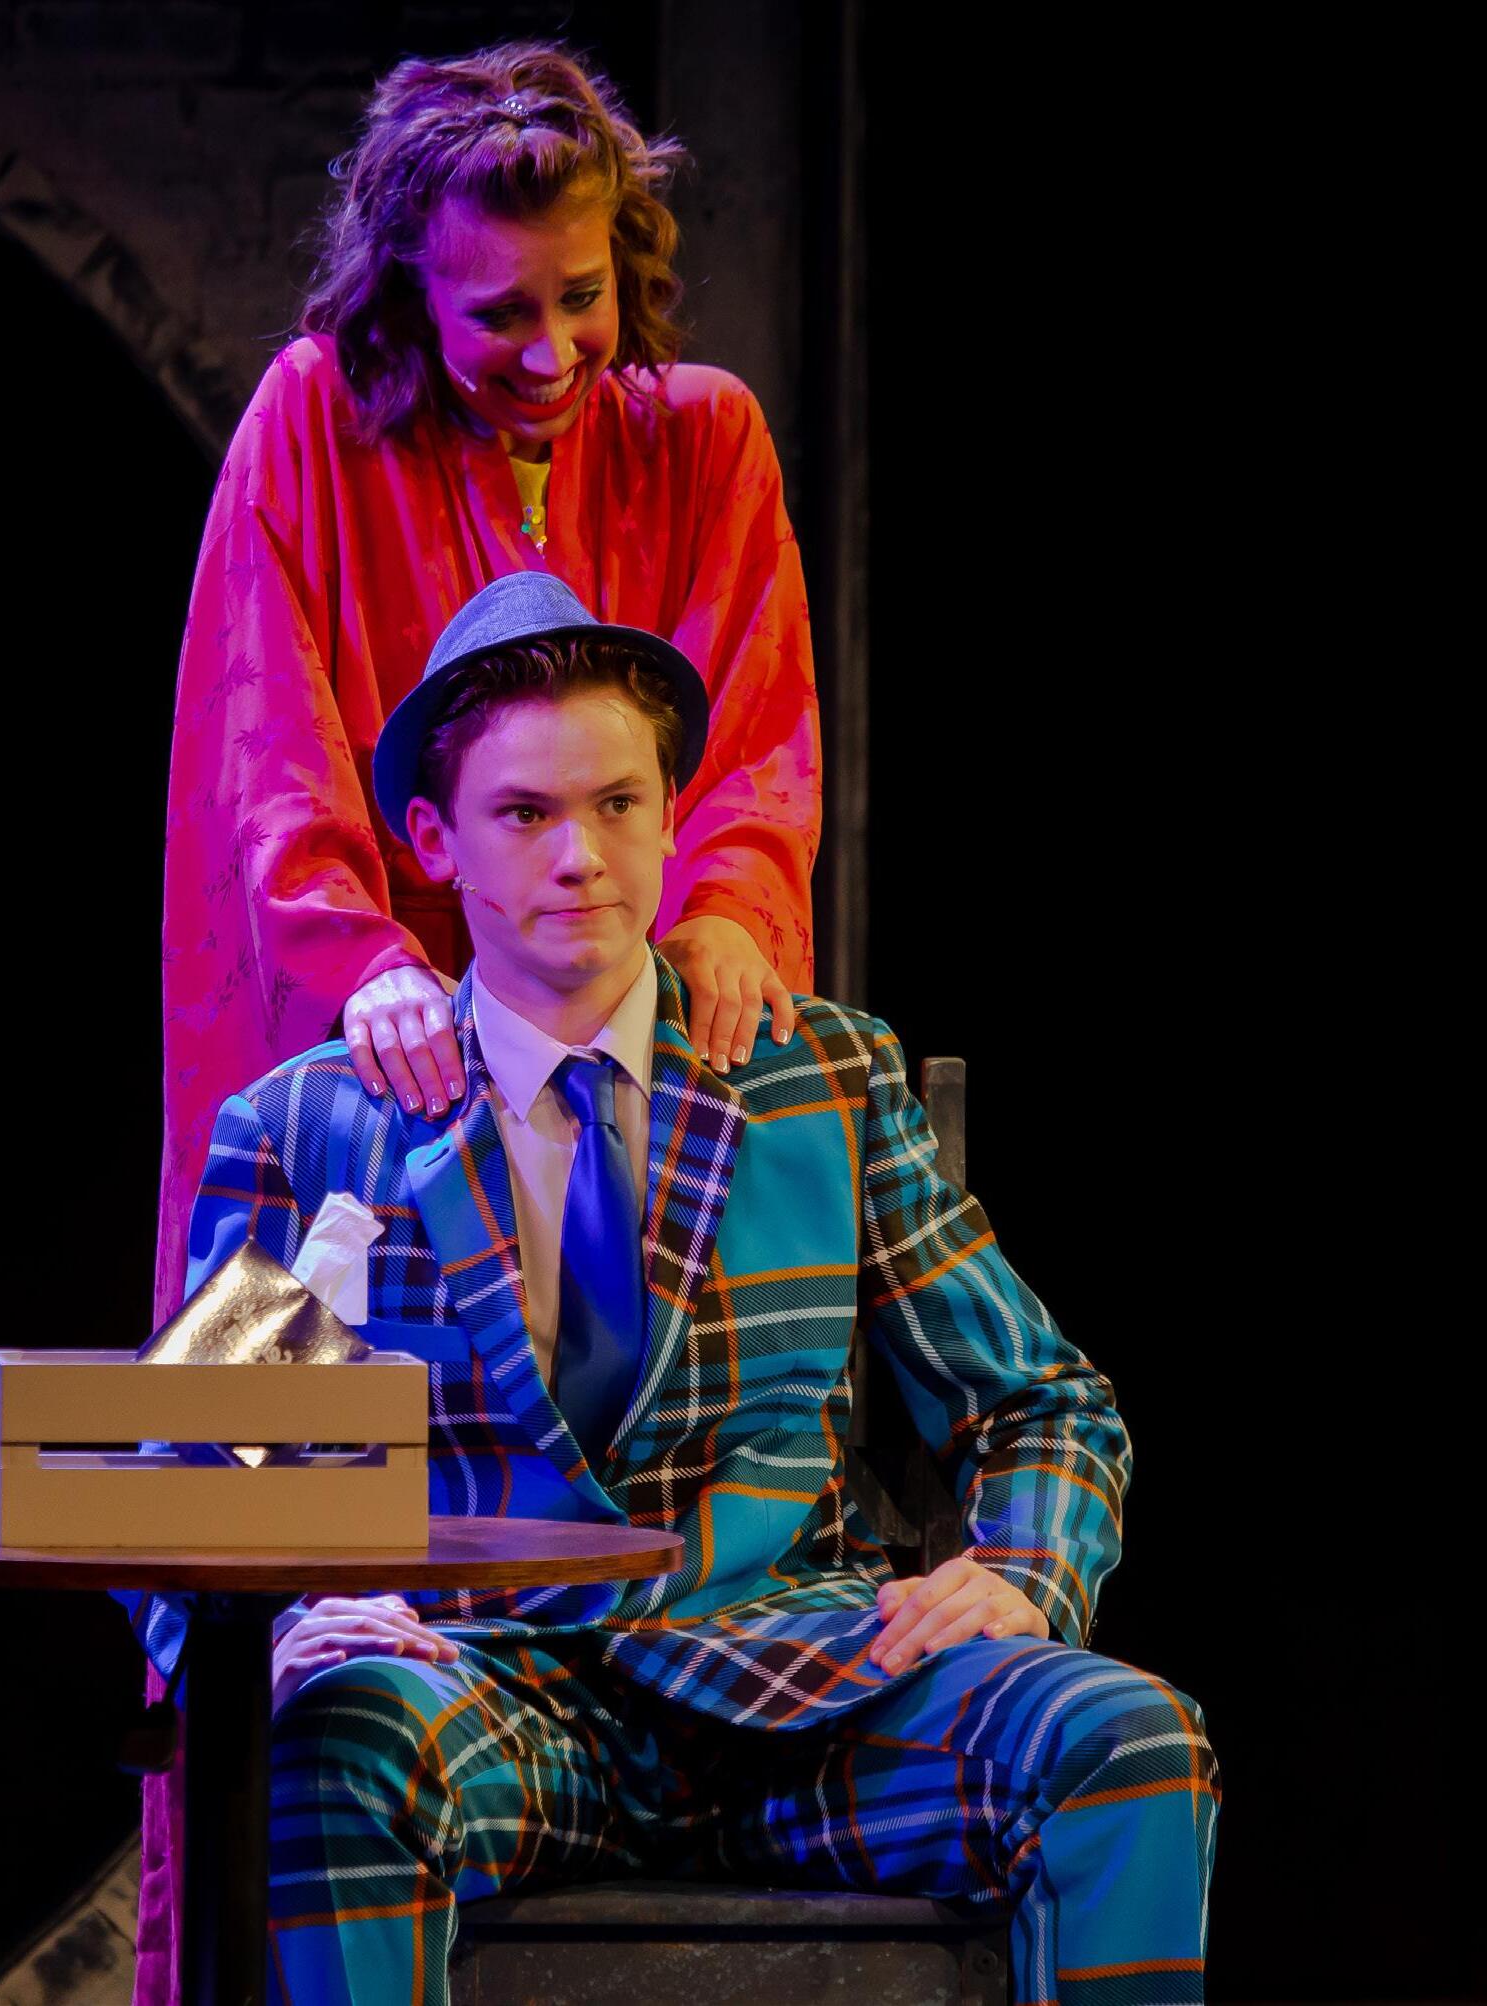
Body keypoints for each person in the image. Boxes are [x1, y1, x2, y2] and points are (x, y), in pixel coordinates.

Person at [139, 573, 1218, 2006]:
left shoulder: (816, 1079)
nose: (579, 856)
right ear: (435, 841)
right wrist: (281, 1629)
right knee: (334, 1744)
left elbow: (1042, 1399)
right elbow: (179, 1477)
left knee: (1125, 1742)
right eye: (524, 813)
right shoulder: (316, 1123)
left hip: (802, 1687)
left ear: (668, 815)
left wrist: (1025, 1569)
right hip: (482, 1690)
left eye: (617, 805)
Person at [156, 39, 822, 1329]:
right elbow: (266, 745)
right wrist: (360, 964)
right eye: (502, 313)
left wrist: (729, 909)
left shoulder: (704, 437)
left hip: (621, 1012)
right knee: (332, 1378)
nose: (552, 352)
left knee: (637, 1363)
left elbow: (756, 732)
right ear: (412, 292)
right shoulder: (315, 422)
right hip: (391, 1036)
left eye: (581, 297)